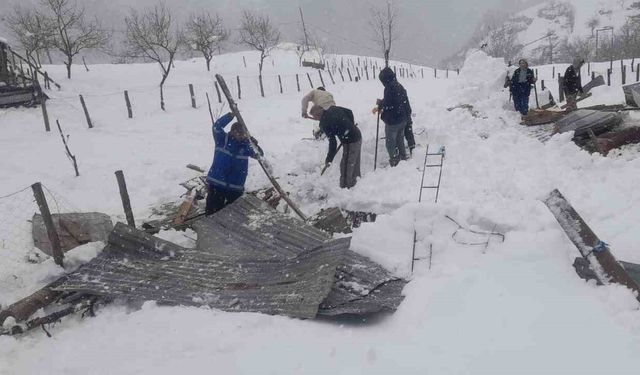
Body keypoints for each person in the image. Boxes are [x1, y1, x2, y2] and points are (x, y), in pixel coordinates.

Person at [205, 112, 263, 215]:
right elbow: (216, 127)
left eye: (243, 133)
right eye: (238, 133)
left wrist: (255, 145)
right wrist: (229, 116)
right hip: (217, 184)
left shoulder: (246, 146)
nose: (241, 135)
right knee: (212, 214)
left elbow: (260, 156)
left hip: (235, 188)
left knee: (233, 217)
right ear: (232, 132)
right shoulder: (222, 139)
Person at [310, 105, 362, 189]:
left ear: (318, 114)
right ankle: (353, 185)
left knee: (348, 165)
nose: (315, 118)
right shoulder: (332, 108)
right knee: (351, 163)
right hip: (355, 135)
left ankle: (348, 188)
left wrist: (329, 159)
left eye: (314, 116)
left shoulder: (324, 123)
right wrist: (350, 126)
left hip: (351, 141)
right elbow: (349, 111)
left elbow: (333, 142)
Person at [376, 67, 415, 166]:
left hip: (393, 121)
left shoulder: (389, 88)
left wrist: (381, 104)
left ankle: (394, 161)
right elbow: (398, 101)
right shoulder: (399, 85)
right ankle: (403, 158)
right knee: (400, 140)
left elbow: (389, 103)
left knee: (390, 143)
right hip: (402, 119)